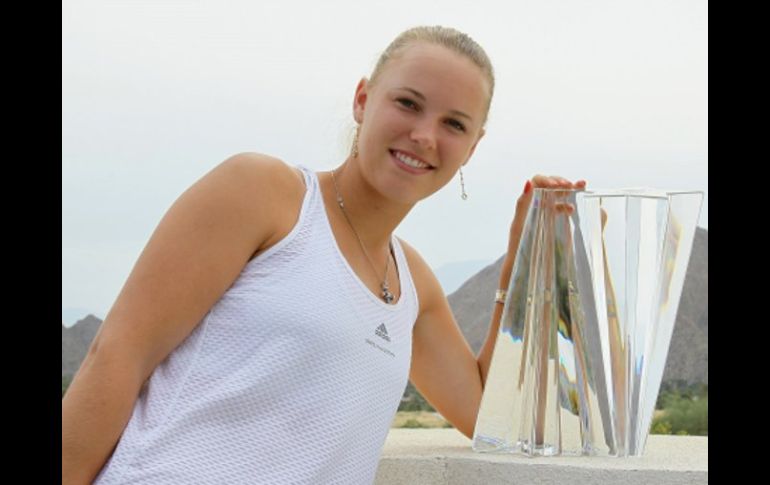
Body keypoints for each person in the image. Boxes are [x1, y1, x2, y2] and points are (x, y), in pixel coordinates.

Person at [62, 25, 586, 484]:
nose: (424, 135)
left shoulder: (413, 286)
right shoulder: (263, 195)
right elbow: (117, 355)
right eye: (407, 103)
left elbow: (488, 416)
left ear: (473, 147)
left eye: (454, 124)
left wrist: (527, 255)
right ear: (362, 100)